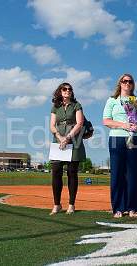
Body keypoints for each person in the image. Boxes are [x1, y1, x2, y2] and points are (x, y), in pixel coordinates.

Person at [103, 74, 137, 218]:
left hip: (136, 139)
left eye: (130, 81)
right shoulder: (112, 100)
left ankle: (132, 207)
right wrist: (125, 125)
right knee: (117, 173)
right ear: (120, 83)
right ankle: (118, 207)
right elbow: (106, 121)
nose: (127, 83)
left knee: (132, 174)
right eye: (124, 81)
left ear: (133, 84)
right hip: (117, 139)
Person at [49, 82, 86, 215]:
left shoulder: (77, 105)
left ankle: (71, 204)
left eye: (69, 89)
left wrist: (68, 137)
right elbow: (52, 125)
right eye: (64, 89)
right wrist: (60, 137)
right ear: (60, 91)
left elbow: (80, 123)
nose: (67, 91)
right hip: (58, 141)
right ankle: (57, 204)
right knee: (56, 172)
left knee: (72, 173)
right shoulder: (55, 107)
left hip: (73, 140)